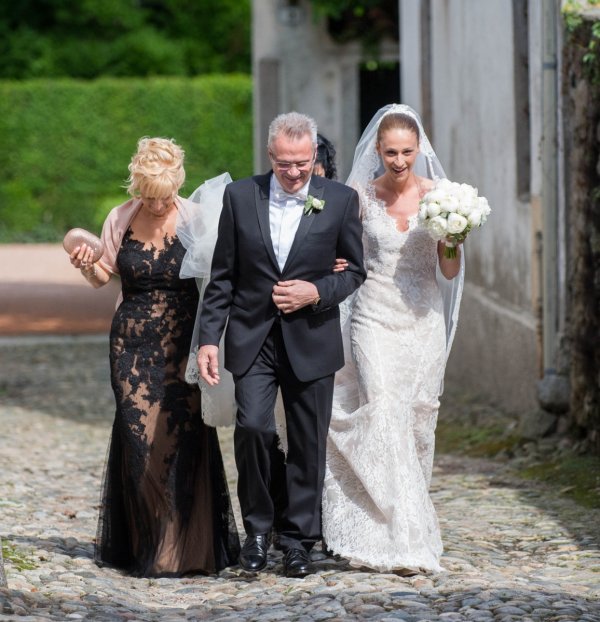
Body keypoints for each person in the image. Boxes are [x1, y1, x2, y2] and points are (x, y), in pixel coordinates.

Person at [196, 112, 366, 577]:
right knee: (253, 428)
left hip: (311, 339)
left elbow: (354, 270)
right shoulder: (240, 197)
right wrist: (208, 338)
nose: (294, 173)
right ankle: (256, 530)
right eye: (286, 163)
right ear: (270, 156)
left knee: (308, 442)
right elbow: (223, 277)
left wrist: (316, 292)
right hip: (253, 337)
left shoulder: (340, 200)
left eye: (303, 163)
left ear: (314, 157)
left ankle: (298, 540)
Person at [69, 137, 240, 577]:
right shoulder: (120, 218)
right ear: (137, 189)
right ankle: (151, 546)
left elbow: (221, 279)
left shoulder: (197, 218)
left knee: (181, 440)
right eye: (148, 196)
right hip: (130, 344)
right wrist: (88, 264)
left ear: (176, 187)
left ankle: (189, 548)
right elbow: (102, 276)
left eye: (163, 196)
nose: (156, 204)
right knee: (138, 443)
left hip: (183, 345)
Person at [321, 104, 464, 574]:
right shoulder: (359, 196)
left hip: (423, 321)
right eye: (390, 153)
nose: (398, 161)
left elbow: (449, 270)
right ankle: (394, 533)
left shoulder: (442, 197)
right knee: (382, 409)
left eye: (406, 152)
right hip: (373, 316)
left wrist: (451, 241)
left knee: (417, 422)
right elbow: (340, 251)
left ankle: (412, 518)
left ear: (418, 149)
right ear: (377, 151)